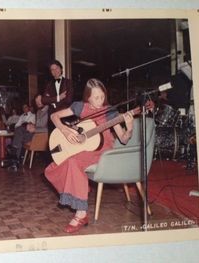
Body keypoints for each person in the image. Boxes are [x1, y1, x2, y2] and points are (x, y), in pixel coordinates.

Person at [44, 78, 134, 233]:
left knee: (73, 162)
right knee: (53, 168)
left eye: (102, 96)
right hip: (85, 148)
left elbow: (124, 139)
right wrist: (65, 130)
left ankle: (81, 213)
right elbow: (54, 117)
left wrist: (130, 127)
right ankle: (81, 188)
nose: (100, 101)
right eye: (96, 97)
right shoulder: (80, 107)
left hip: (102, 151)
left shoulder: (111, 111)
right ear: (88, 97)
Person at [8, 94, 48, 160]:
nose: (38, 103)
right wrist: (32, 126)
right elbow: (39, 125)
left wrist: (35, 129)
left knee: (19, 135)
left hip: (41, 137)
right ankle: (15, 156)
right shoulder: (38, 111)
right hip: (34, 134)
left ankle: (14, 155)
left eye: (40, 100)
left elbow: (49, 128)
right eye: (36, 101)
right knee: (19, 130)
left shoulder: (49, 111)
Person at [41, 59, 74, 133]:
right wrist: (58, 98)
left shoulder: (68, 82)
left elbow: (68, 99)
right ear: (51, 72)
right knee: (53, 141)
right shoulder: (48, 85)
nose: (55, 71)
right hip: (52, 119)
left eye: (57, 68)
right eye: (52, 70)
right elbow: (44, 100)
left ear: (61, 69)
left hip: (65, 117)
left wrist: (52, 101)